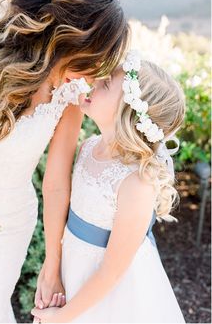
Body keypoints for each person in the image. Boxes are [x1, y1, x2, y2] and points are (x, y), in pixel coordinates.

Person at [0, 0, 129, 322]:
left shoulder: (71, 94)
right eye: (95, 52)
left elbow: (57, 182)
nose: (93, 69)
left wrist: (52, 263)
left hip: (9, 224)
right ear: (74, 38)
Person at [31, 50, 186, 323]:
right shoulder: (90, 147)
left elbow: (112, 272)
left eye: (105, 85)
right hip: (73, 265)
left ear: (126, 113)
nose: (95, 81)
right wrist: (52, 266)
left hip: (109, 289)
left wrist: (63, 316)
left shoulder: (137, 183)